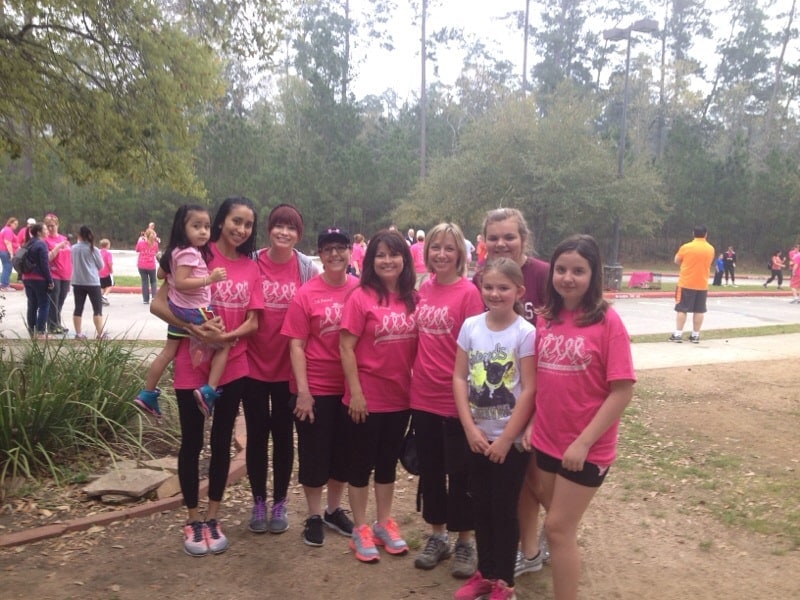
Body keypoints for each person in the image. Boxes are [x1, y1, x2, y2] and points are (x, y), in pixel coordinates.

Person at [149, 196, 263, 556]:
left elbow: (254, 321)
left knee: (222, 442)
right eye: (235, 221)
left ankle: (213, 517)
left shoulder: (251, 267)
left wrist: (225, 337)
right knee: (192, 442)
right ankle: (193, 518)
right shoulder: (195, 253)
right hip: (190, 363)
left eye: (247, 224)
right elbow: (158, 303)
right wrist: (193, 330)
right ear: (219, 221)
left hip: (232, 365)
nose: (241, 229)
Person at [524, 234, 635, 600]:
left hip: (585, 448)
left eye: (578, 271)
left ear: (594, 275)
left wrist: (584, 442)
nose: (567, 278)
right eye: (561, 269)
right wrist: (530, 424)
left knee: (557, 528)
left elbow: (622, 391)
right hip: (546, 439)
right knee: (554, 514)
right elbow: (538, 381)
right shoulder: (545, 319)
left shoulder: (607, 322)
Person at [452, 257, 536, 600]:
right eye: (488, 287)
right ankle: (484, 573)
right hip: (476, 436)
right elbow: (458, 377)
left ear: (519, 291)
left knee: (504, 509)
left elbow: (529, 388)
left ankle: (505, 582)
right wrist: (469, 428)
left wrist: (506, 438)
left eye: (503, 288)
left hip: (508, 441)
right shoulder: (471, 327)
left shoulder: (525, 333)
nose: (495, 294)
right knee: (480, 506)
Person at [475, 208, 550, 577]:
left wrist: (536, 416)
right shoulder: (484, 279)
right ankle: (530, 549)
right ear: (484, 241)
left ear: (523, 237)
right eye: (494, 237)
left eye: (509, 236)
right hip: (507, 399)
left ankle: (556, 533)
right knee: (521, 483)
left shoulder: (544, 274)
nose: (501, 243)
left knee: (538, 480)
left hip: (545, 392)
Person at [339, 229, 418, 563]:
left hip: (401, 398)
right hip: (366, 398)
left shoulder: (413, 298)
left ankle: (384, 522)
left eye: (394, 254)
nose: (388, 260)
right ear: (370, 260)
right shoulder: (361, 297)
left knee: (387, 464)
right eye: (380, 255)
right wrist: (355, 392)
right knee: (361, 464)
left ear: (405, 259)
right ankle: (360, 529)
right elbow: (345, 346)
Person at [410, 222, 484, 578]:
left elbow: (475, 349)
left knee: (461, 474)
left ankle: (465, 542)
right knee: (432, 472)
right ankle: (438, 535)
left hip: (457, 401)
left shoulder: (469, 293)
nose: (441, 253)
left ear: (461, 255)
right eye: (435, 247)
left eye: (449, 248)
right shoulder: (423, 289)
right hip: (422, 396)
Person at [281, 227, 359, 547]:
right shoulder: (307, 293)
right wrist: (303, 391)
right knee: (314, 454)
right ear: (320, 255)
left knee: (343, 454)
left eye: (341, 247)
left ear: (350, 251)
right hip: (314, 386)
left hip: (348, 388)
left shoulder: (359, 290)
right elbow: (296, 345)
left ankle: (332, 510)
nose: (335, 254)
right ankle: (313, 515)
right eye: (328, 249)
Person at [244, 203, 319, 534]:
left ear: (298, 235)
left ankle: (279, 502)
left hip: (289, 366)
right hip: (253, 364)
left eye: (291, 228)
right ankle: (258, 501)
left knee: (284, 436)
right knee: (257, 435)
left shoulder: (305, 268)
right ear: (269, 229)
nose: (284, 233)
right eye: (278, 226)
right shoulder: (252, 263)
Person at [133, 205, 230, 418]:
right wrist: (209, 279)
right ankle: (209, 391)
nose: (203, 231)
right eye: (196, 226)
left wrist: (171, 267)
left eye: (206, 226)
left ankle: (147, 392)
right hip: (195, 311)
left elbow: (161, 274)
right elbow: (180, 282)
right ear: (182, 227)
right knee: (225, 344)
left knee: (169, 351)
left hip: (177, 310)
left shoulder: (174, 251)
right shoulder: (190, 253)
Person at [668, 225, 715, 344]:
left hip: (686, 282)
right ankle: (695, 335)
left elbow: (676, 260)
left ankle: (678, 334)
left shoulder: (686, 247)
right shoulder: (710, 249)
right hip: (702, 283)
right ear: (706, 234)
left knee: (682, 309)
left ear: (693, 233)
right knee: (699, 310)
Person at [69, 225, 106, 340]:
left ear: (79, 235)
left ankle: (78, 333)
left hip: (77, 281)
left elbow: (72, 261)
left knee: (78, 308)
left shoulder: (73, 248)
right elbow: (101, 266)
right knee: (97, 309)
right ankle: (100, 334)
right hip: (92, 282)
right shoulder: (93, 249)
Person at [21, 223, 54, 339]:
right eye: (45, 229)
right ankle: (40, 333)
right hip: (39, 279)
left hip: (27, 278)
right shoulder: (41, 244)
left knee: (32, 305)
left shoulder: (27, 243)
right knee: (44, 305)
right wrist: (50, 281)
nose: (47, 230)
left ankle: (32, 332)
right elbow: (44, 265)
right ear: (39, 232)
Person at [43, 213, 72, 335]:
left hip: (66, 273)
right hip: (53, 272)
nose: (50, 228)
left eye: (52, 225)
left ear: (57, 225)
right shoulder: (45, 240)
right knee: (54, 299)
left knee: (61, 300)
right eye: (48, 226)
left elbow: (70, 256)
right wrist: (58, 247)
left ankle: (57, 322)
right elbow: (47, 258)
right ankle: (52, 325)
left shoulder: (64, 239)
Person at [135, 228, 159, 304]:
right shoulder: (155, 244)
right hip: (151, 265)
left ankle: (145, 299)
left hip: (141, 265)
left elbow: (137, 250)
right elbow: (156, 252)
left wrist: (142, 239)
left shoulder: (141, 242)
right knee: (153, 281)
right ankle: (154, 297)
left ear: (146, 235)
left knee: (144, 281)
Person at [0, 217, 19, 291]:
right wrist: (11, 254)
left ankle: (3, 283)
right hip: (5, 251)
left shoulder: (4, 229)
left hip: (2, 250)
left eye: (17, 224)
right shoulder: (8, 231)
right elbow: (7, 242)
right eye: (15, 224)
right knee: (7, 267)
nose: (16, 225)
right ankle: (4, 285)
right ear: (10, 223)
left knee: (6, 267)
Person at [98, 239, 113, 305]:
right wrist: (111, 269)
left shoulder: (98, 252)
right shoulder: (108, 253)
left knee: (102, 286)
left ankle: (99, 298)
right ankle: (104, 296)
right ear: (107, 245)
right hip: (106, 272)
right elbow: (109, 263)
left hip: (99, 272)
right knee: (110, 285)